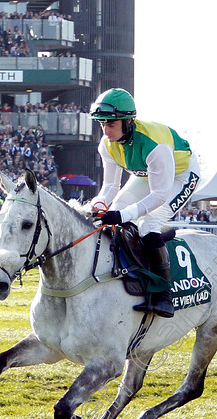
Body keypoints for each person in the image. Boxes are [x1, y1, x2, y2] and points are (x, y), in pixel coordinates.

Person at [89, 88, 200, 318]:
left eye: (111, 124)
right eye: (102, 124)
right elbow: (109, 187)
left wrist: (123, 215)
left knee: (147, 224)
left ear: (128, 121)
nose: (105, 130)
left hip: (180, 176)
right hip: (145, 174)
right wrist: (99, 204)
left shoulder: (154, 146)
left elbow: (160, 194)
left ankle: (164, 295)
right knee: (117, 212)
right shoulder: (106, 145)